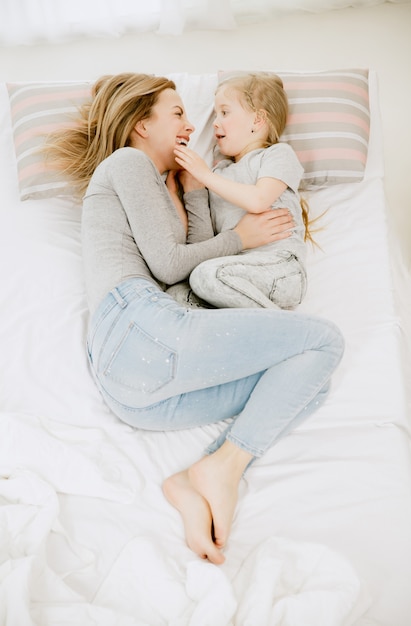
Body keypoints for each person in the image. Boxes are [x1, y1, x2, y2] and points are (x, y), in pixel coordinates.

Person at [45, 72, 344, 565]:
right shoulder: (128, 162)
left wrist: (195, 192)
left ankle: (203, 475)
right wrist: (242, 240)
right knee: (325, 342)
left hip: (142, 392)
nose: (193, 123)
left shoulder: (172, 187)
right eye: (179, 112)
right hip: (134, 325)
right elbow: (167, 263)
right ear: (142, 124)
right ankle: (225, 467)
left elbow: (188, 272)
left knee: (309, 384)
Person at [172, 72, 309, 310]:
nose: (215, 122)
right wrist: (193, 189)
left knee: (205, 276)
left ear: (257, 120)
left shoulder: (276, 154)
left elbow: (258, 201)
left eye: (224, 112)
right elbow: (207, 244)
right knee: (178, 295)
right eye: (215, 114)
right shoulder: (220, 174)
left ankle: (289, 328)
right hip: (233, 276)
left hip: (281, 268)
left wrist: (205, 175)